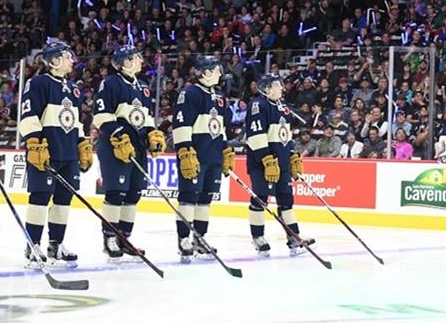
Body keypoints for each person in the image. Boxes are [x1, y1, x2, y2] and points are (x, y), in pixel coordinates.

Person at [18, 39, 92, 268]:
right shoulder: (38, 83)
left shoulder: (73, 88)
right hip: (45, 152)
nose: (73, 60)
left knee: (63, 200)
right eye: (68, 56)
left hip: (68, 153)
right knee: (39, 197)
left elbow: (76, 121)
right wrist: (34, 143)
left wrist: (82, 143)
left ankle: (56, 245)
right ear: (55, 60)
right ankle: (33, 246)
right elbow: (29, 115)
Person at [92, 45, 167, 262]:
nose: (141, 60)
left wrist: (152, 134)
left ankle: (124, 239)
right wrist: (117, 135)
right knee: (115, 193)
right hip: (116, 147)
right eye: (136, 58)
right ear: (125, 62)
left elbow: (144, 118)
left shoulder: (143, 87)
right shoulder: (111, 82)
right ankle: (110, 238)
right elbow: (101, 115)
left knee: (134, 194)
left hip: (137, 147)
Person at [243, 74, 315, 256]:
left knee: (286, 200)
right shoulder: (258, 105)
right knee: (260, 198)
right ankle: (258, 238)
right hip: (262, 163)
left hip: (281, 163)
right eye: (278, 85)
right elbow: (256, 136)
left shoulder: (283, 108)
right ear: (267, 88)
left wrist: (291, 156)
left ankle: (294, 238)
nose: (282, 88)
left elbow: (285, 136)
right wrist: (266, 160)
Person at [172, 55, 234, 262]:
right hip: (195, 155)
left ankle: (200, 238)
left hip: (213, 155)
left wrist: (225, 149)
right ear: (205, 72)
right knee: (189, 198)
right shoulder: (190, 93)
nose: (220, 73)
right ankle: (184, 239)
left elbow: (222, 127)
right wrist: (185, 151)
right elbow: (181, 125)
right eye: (216, 70)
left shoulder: (220, 96)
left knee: (205, 200)